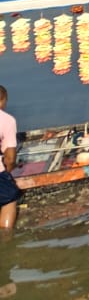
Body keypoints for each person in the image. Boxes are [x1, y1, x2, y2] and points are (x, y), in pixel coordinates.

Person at [0, 85, 19, 231]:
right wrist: (8, 173)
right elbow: (10, 158)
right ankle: (6, 237)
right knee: (9, 198)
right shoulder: (6, 120)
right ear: (2, 101)